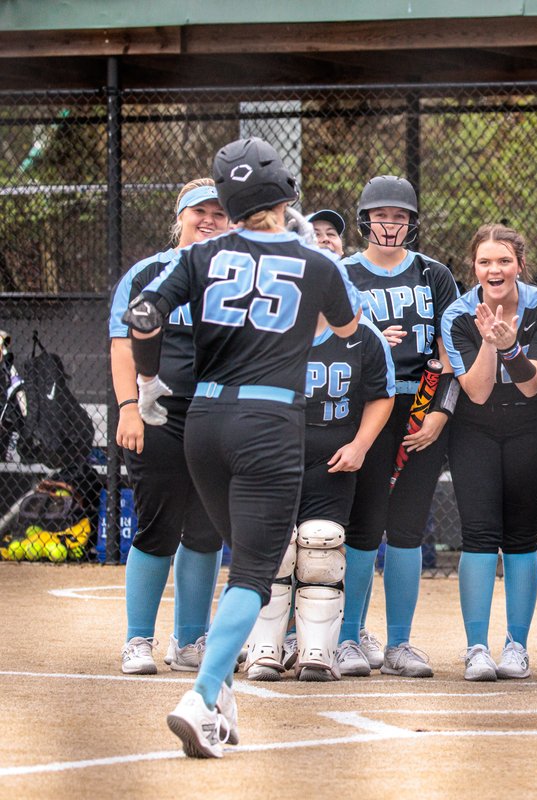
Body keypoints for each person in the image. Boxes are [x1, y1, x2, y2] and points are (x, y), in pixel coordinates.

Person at [126, 137, 361, 757]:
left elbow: (145, 314)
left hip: (202, 418)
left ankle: (223, 692)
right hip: (270, 421)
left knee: (239, 561)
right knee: (255, 574)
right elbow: (346, 326)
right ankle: (201, 697)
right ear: (285, 194)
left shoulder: (202, 253)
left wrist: (148, 383)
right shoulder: (318, 262)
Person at [341, 175, 460, 678]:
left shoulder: (434, 276)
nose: (390, 224)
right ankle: (347, 637)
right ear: (365, 218)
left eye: (400, 216)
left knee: (407, 529)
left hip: (420, 407)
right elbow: (323, 344)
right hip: (365, 407)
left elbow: (454, 351)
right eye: (381, 215)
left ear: (412, 222)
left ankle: (400, 643)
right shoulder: (342, 274)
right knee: (362, 526)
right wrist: (370, 343)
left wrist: (440, 413)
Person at [110, 179, 228, 675]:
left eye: (219, 213)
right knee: (157, 526)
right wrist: (128, 407)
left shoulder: (234, 275)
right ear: (179, 217)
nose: (208, 219)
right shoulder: (149, 272)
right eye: (199, 210)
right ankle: (138, 639)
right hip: (158, 413)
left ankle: (190, 641)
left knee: (204, 531)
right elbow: (123, 345)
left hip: (216, 415)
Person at [241, 312, 395, 681]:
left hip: (332, 459)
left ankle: (317, 650)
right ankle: (264, 648)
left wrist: (360, 445)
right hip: (275, 453)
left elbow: (381, 396)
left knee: (322, 547)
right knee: (274, 551)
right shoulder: (266, 326)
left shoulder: (362, 335)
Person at [442, 224, 537, 680]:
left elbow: (533, 384)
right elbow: (474, 392)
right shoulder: (457, 314)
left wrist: (510, 343)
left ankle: (517, 645)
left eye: (504, 261)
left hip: (529, 426)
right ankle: (477, 647)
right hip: (475, 429)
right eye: (485, 262)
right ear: (474, 268)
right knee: (478, 534)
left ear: (519, 265)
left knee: (519, 537)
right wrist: (490, 345)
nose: (494, 270)